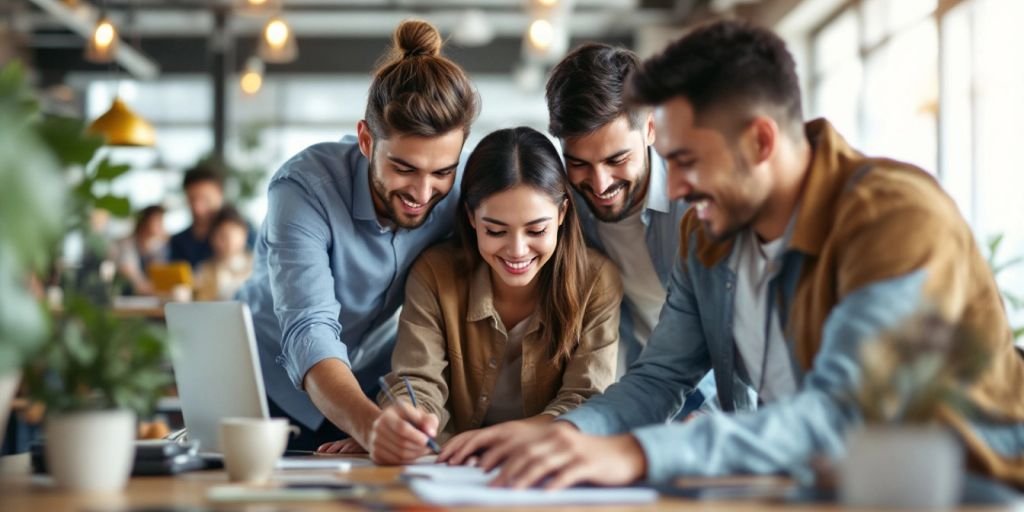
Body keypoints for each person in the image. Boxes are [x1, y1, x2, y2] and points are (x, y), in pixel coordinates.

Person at [465, 20, 1024, 489]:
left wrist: (639, 454)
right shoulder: (708, 235)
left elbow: (847, 413)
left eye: (686, 160)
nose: (675, 189)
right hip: (806, 484)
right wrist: (569, 435)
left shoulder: (896, 218)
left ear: (759, 141)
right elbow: (660, 378)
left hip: (965, 491)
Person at [236, 19, 479, 456]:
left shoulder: (458, 194)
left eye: (441, 171)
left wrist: (384, 418)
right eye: (404, 168)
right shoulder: (303, 188)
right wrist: (370, 426)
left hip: (368, 384)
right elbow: (309, 328)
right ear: (366, 140)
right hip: (265, 380)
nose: (423, 194)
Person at [317, 127, 622, 464]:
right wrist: (404, 426)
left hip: (547, 468)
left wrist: (500, 439)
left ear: (562, 214)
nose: (517, 250)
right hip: (449, 467)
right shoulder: (435, 272)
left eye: (537, 230)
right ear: (471, 218)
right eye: (495, 230)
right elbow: (418, 379)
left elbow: (586, 400)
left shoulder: (596, 280)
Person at [169, 165, 240, 269]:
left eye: (205, 199)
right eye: (192, 200)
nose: (198, 208)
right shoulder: (178, 242)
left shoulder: (242, 231)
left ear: (220, 195)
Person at [194, 206, 253, 301]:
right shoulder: (203, 270)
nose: (229, 240)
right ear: (212, 238)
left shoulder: (260, 266)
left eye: (233, 233)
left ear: (244, 233)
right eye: (222, 235)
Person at [113, 205, 168, 295]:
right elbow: (137, 284)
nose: (161, 225)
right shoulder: (125, 245)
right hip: (125, 299)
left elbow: (160, 278)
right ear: (144, 222)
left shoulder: (158, 247)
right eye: (157, 221)